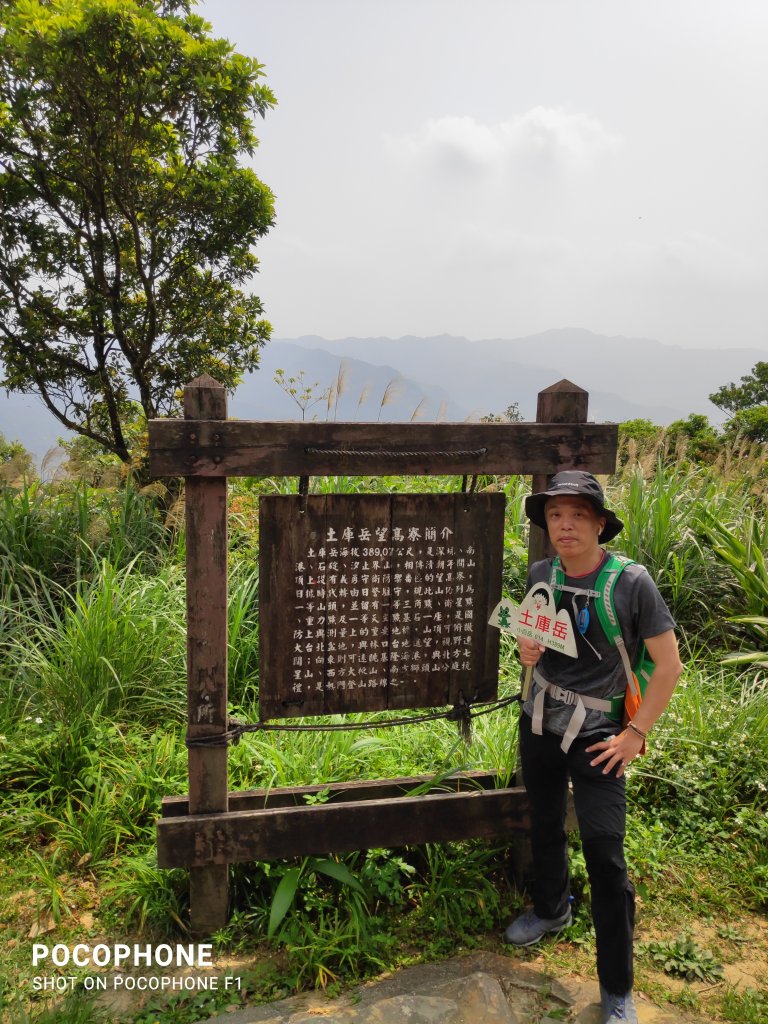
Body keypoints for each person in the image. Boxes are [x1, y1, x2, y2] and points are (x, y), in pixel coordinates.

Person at [504, 471, 683, 1024]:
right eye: (555, 515)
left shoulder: (632, 584)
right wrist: (525, 649)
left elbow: (669, 665)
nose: (565, 525)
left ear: (600, 524)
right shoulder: (541, 573)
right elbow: (531, 647)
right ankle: (552, 910)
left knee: (606, 856)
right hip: (539, 721)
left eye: (578, 515)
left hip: (602, 733)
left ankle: (617, 988)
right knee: (545, 821)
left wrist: (636, 734)